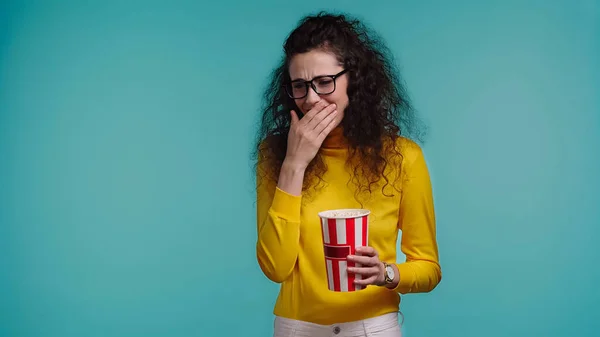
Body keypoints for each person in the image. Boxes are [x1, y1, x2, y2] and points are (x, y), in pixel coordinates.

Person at [253, 11, 441, 337]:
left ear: (354, 79)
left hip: (373, 327)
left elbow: (429, 268)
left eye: (325, 82)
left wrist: (387, 273)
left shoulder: (403, 157)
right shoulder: (275, 155)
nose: (312, 99)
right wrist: (294, 165)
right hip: (297, 327)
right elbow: (276, 267)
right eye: (300, 86)